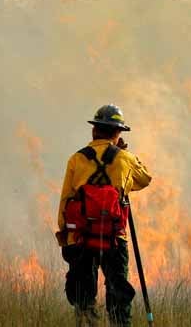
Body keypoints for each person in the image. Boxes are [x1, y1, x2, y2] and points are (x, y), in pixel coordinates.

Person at [56, 104, 153, 326]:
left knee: (82, 294)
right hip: (115, 238)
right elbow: (145, 178)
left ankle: (87, 321)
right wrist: (123, 154)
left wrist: (65, 235)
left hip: (81, 238)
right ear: (117, 133)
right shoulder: (125, 159)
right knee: (118, 291)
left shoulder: (76, 159)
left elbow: (66, 200)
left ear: (94, 130)